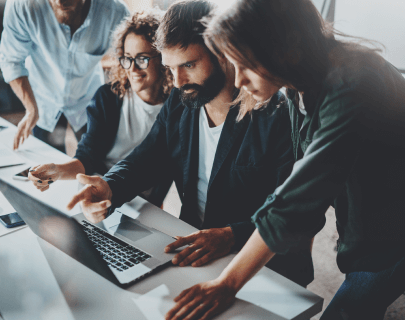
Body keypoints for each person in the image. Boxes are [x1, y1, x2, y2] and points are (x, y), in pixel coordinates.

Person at [165, 0, 405, 319]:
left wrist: (227, 283)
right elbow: (295, 187)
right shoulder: (297, 83)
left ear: (279, 50)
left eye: (245, 66)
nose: (238, 81)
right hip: (368, 212)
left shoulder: (355, 87)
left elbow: (297, 202)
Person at [66, 0, 314, 288]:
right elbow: (148, 156)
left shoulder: (275, 111)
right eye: (171, 69)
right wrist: (109, 186)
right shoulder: (181, 99)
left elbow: (295, 213)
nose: (179, 80)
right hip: (192, 247)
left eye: (189, 64)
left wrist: (231, 234)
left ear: (222, 53)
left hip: (259, 264)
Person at [28, 9, 174, 207]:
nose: (132, 68)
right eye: (127, 58)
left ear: (163, 59)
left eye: (142, 58)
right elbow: (87, 157)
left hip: (144, 203)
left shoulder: (177, 109)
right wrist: (58, 171)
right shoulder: (108, 98)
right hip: (99, 190)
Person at [0, 0, 129, 152]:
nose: (59, 1)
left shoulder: (115, 13)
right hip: (43, 102)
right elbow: (12, 60)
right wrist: (31, 108)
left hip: (87, 99)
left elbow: (130, 63)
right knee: (47, 167)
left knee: (97, 163)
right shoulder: (23, 5)